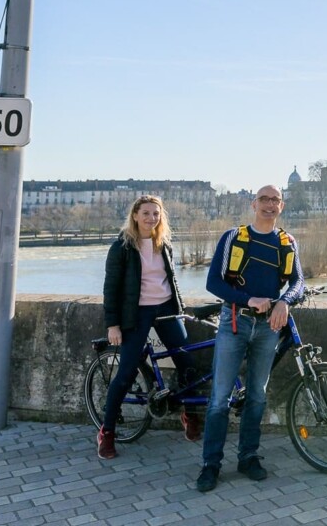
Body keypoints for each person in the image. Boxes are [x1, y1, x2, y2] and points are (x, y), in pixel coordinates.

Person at [196, 185, 305, 492]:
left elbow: (298, 282)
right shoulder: (233, 237)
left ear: (281, 206)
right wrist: (248, 300)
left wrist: (285, 302)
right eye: (264, 199)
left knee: (257, 395)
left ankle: (248, 457)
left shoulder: (288, 242)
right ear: (254, 204)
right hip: (235, 322)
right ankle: (211, 465)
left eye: (275, 200)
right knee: (219, 398)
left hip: (269, 327)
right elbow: (213, 282)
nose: (269, 205)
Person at [98, 194, 200, 459]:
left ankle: (188, 414)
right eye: (146, 213)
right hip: (136, 313)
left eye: (156, 214)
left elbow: (171, 281)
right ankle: (107, 432)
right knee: (127, 371)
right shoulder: (121, 247)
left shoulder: (164, 244)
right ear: (135, 215)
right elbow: (111, 290)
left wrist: (180, 309)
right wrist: (113, 325)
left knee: (187, 362)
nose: (151, 218)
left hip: (166, 308)